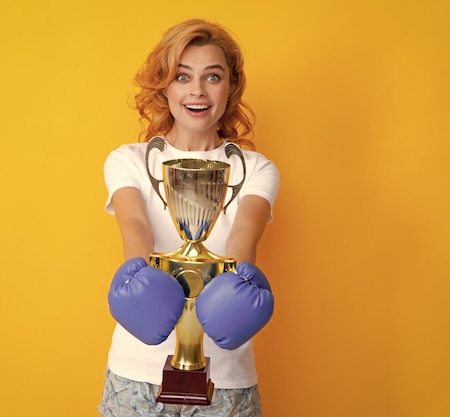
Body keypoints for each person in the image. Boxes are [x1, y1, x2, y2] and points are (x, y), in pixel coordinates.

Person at [99, 18, 280, 417]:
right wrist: (140, 282)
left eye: (212, 76)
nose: (197, 90)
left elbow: (245, 238)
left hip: (226, 383)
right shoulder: (128, 160)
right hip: (136, 375)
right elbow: (135, 227)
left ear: (230, 86)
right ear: (165, 85)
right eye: (183, 76)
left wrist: (236, 294)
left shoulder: (255, 169)